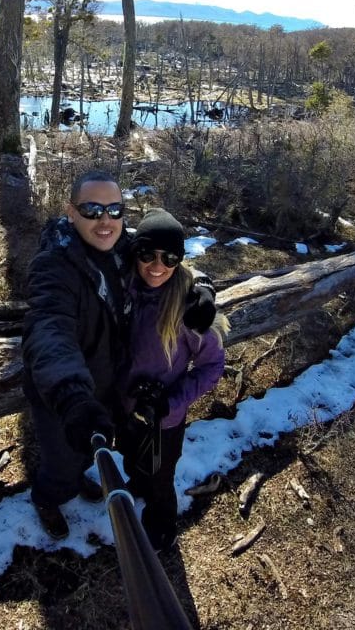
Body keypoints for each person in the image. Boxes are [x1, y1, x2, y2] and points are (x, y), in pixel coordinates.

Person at [22, 172, 217, 539]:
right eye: (92, 209)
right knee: (62, 461)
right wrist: (70, 395)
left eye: (114, 209)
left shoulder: (120, 246)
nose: (105, 219)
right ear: (71, 212)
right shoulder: (53, 266)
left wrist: (203, 285)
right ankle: (48, 499)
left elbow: (167, 257)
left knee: (89, 449)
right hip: (66, 393)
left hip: (109, 385)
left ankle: (78, 477)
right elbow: (50, 331)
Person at [116, 208, 229, 552]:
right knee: (129, 454)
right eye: (147, 254)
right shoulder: (124, 287)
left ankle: (162, 527)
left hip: (163, 421)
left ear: (179, 261)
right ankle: (136, 484)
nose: (156, 265)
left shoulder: (189, 309)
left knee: (161, 478)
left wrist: (170, 402)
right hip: (123, 407)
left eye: (169, 258)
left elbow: (212, 366)